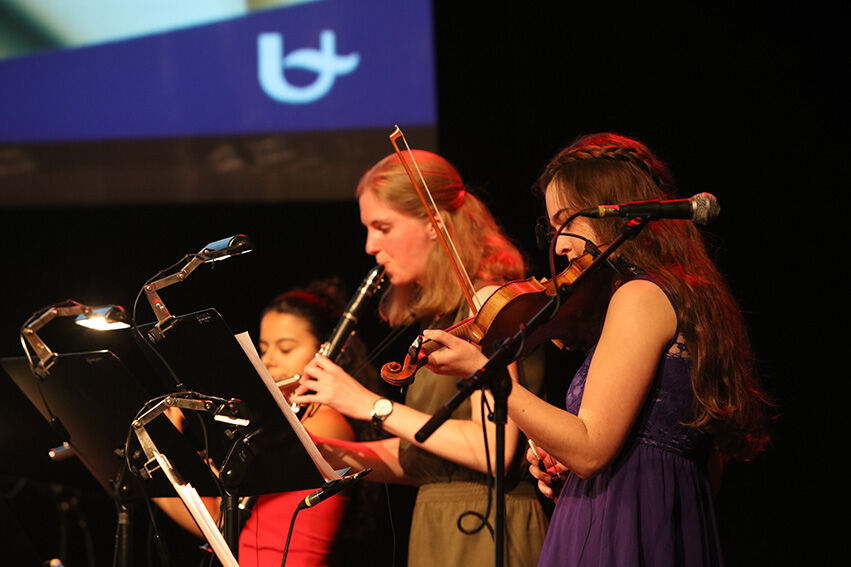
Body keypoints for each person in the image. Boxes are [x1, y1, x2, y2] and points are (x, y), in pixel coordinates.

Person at [421, 133, 773, 566]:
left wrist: (490, 374)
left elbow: (590, 449)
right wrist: (567, 456)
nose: (559, 244)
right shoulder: (685, 296)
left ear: (614, 208)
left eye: (568, 220)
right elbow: (696, 465)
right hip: (665, 522)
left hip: (622, 526)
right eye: (552, 229)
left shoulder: (639, 295)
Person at [291, 150, 549, 567]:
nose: (370, 245)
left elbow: (492, 449)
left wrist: (369, 405)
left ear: (434, 223)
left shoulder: (482, 303)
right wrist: (318, 451)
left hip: (486, 529)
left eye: (383, 227)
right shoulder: (445, 317)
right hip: (442, 524)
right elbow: (428, 459)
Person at [158, 279, 384, 566]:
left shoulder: (327, 422)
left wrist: (172, 446)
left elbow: (218, 516)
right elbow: (218, 518)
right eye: (264, 349)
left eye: (286, 349)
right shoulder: (280, 421)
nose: (269, 361)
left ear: (326, 353)